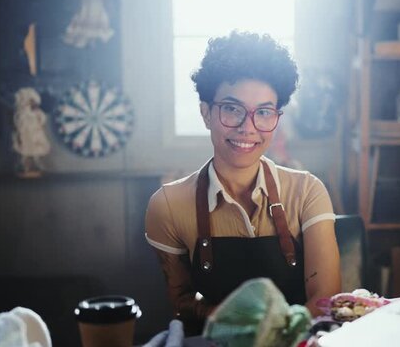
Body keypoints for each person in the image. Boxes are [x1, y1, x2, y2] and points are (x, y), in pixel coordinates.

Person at [145, 31, 341, 334]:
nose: (248, 128)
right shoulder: (167, 205)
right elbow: (180, 303)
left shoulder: (307, 192)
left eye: (263, 112)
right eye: (232, 109)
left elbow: (325, 299)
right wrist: (234, 326)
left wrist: (271, 336)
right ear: (206, 112)